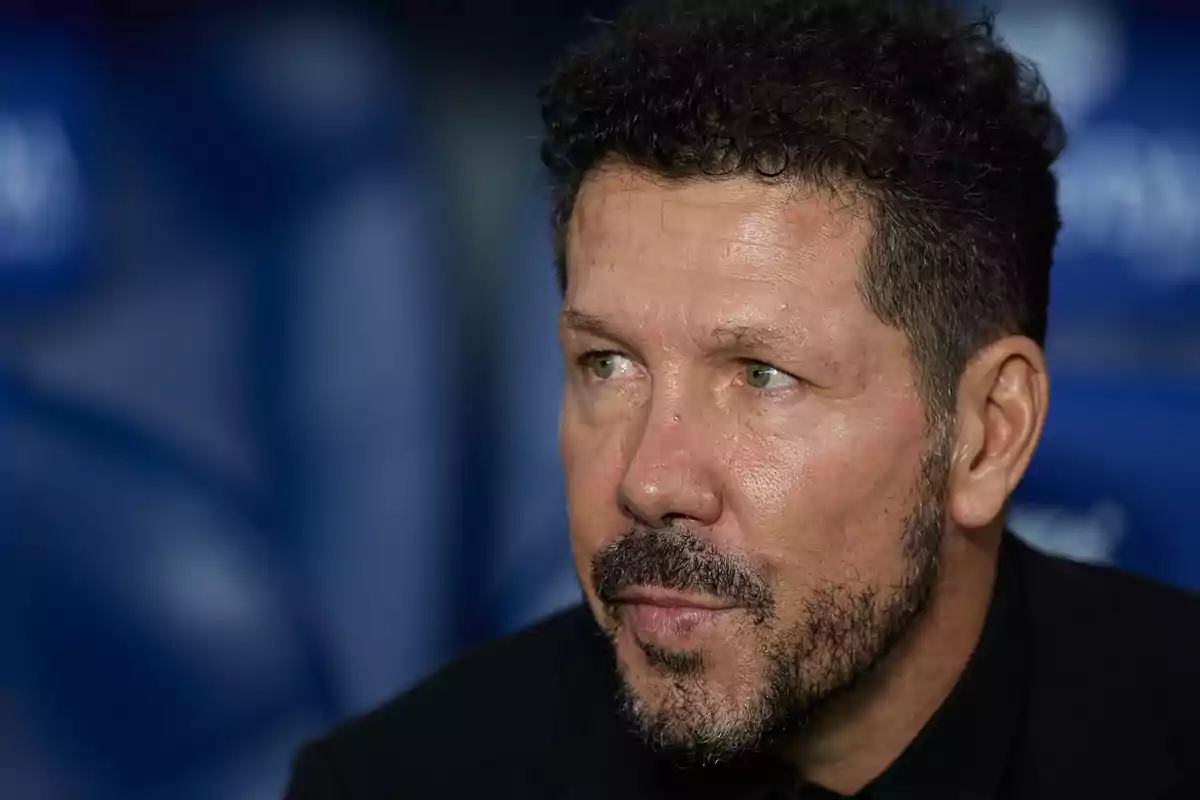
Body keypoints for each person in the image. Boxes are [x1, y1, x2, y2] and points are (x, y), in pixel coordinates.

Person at [286, 1, 1200, 797]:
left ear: (988, 434)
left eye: (762, 376)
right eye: (608, 364)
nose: (650, 481)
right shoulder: (396, 783)